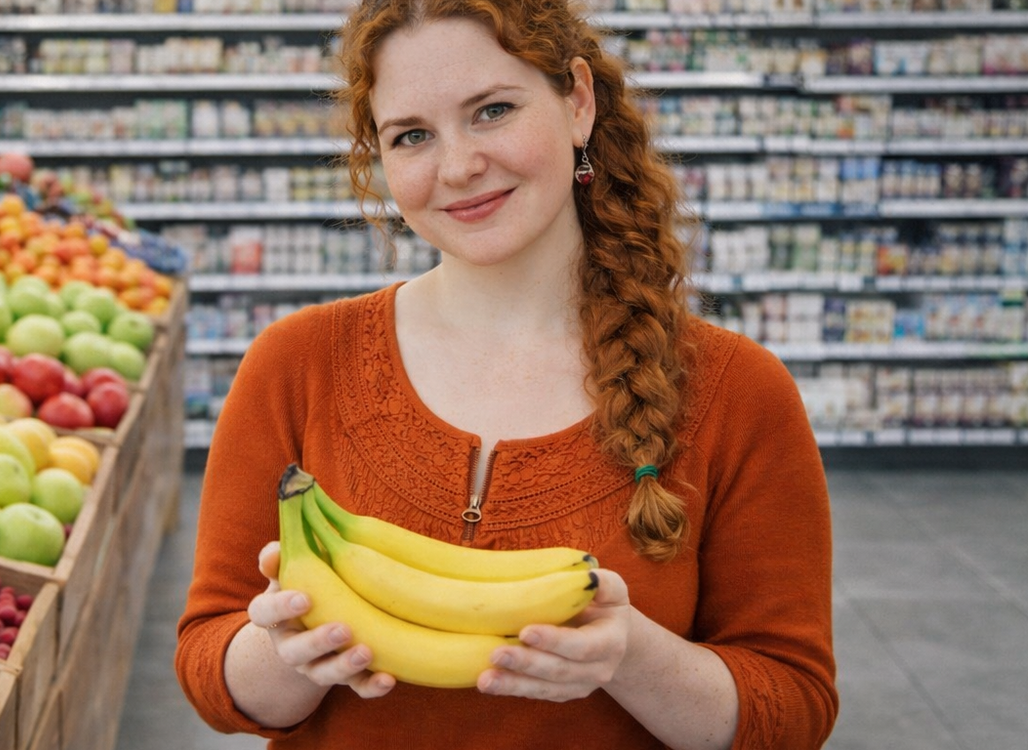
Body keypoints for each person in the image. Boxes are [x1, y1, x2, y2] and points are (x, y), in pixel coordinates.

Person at [174, 0, 837, 747]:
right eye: (413, 135)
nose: (458, 167)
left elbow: (793, 708)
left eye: (491, 110)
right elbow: (207, 663)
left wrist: (631, 654)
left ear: (577, 101)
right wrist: (288, 652)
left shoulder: (738, 392)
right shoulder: (294, 365)